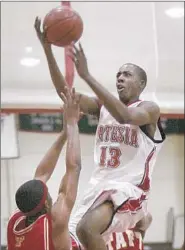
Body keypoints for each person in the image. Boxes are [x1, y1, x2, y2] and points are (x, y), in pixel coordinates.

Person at [34, 17, 166, 250]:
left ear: (141, 83)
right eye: (118, 74)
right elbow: (64, 92)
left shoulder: (149, 109)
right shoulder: (103, 107)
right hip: (98, 187)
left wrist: (87, 76)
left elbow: (126, 116)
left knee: (87, 229)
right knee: (70, 242)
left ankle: (141, 218)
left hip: (130, 189)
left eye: (127, 74)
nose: (120, 78)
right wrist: (47, 49)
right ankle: (141, 222)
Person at [7, 87, 82, 250]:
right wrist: (72, 124)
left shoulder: (15, 221)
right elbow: (74, 168)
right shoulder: (56, 221)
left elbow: (41, 174)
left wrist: (64, 133)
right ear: (47, 205)